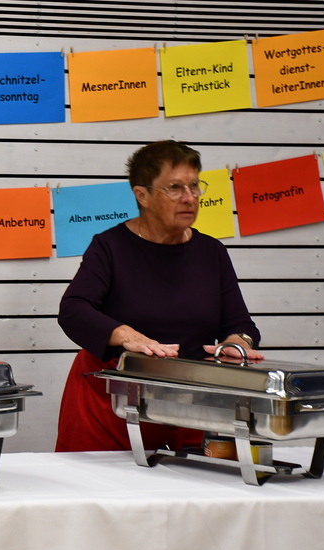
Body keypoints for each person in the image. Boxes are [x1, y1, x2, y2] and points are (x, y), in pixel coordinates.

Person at [55, 140, 263, 453]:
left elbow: (240, 323)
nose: (189, 197)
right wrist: (125, 335)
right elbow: (74, 309)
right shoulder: (110, 246)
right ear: (142, 195)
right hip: (111, 403)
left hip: (189, 402)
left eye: (194, 185)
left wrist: (237, 343)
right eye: (175, 188)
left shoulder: (212, 252)